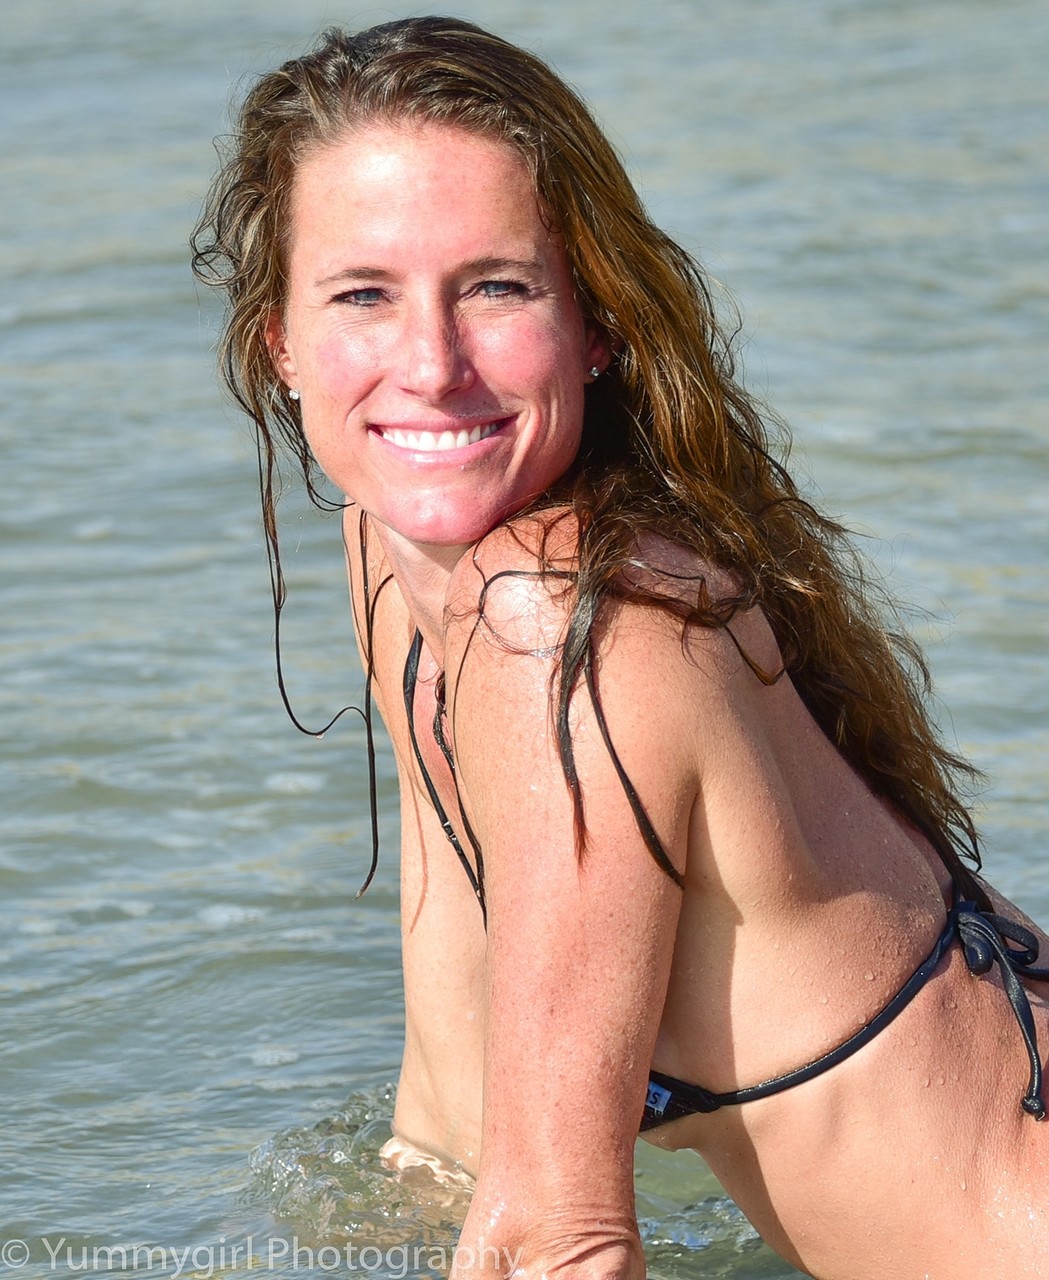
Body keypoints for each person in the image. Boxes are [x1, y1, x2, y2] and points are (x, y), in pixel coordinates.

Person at [191, 17, 1049, 1279]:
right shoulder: (400, 549)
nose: (429, 366)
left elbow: (566, 1240)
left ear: (593, 322)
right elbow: (451, 1101)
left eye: (495, 287)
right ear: (279, 338)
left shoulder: (552, 615)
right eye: (363, 293)